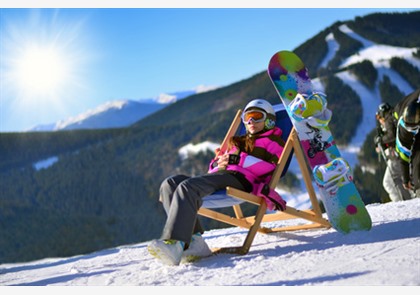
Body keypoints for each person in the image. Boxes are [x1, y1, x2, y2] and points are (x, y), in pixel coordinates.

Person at [147, 99, 286, 265]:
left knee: (187, 187)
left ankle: (175, 242)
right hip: (223, 175)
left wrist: (238, 160)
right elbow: (216, 163)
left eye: (257, 116)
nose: (250, 121)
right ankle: (194, 242)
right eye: (247, 117)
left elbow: (272, 168)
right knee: (170, 184)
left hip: (242, 181)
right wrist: (217, 164)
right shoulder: (238, 141)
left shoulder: (273, 142)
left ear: (269, 120)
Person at [374, 103, 411, 201]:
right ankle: (406, 200)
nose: (380, 120)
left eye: (379, 117)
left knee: (389, 182)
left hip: (397, 155)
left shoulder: (388, 120)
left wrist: (380, 140)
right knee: (402, 179)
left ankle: (401, 203)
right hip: (404, 153)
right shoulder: (395, 117)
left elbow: (392, 136)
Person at [392, 89, 420, 198]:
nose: (412, 131)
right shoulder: (404, 128)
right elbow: (403, 152)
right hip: (401, 109)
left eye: (415, 129)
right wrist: (406, 178)